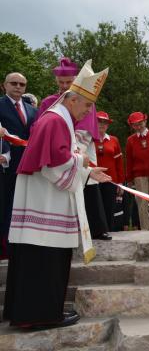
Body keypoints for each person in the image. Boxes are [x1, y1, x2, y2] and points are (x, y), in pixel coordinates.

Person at [4, 59, 111, 328]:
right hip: (46, 205)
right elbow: (56, 166)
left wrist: (88, 171)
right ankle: (42, 316)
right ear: (72, 99)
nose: (87, 111)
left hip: (43, 200)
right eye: (86, 105)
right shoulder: (56, 122)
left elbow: (58, 158)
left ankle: (30, 314)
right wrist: (83, 166)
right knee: (46, 261)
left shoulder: (55, 118)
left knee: (38, 261)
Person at [39, 58, 111, 241]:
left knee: (89, 183)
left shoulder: (86, 100)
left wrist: (76, 150)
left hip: (81, 146)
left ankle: (96, 228)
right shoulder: (49, 101)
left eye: (68, 82)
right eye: (61, 83)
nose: (64, 86)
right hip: (60, 149)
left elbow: (85, 127)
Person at [0, 73, 37, 259]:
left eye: (22, 84)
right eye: (13, 83)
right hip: (5, 165)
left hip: (28, 166)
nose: (18, 87)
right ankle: (5, 247)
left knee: (23, 206)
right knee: (5, 206)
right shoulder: (0, 105)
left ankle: (21, 245)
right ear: (4, 85)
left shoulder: (32, 109)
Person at [95, 111, 125, 232]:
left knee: (109, 207)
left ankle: (108, 231)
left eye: (105, 122)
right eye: (99, 122)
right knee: (95, 207)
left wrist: (120, 183)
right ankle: (96, 232)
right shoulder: (89, 138)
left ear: (108, 125)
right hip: (93, 179)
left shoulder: (114, 140)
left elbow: (119, 163)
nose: (102, 125)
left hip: (111, 180)